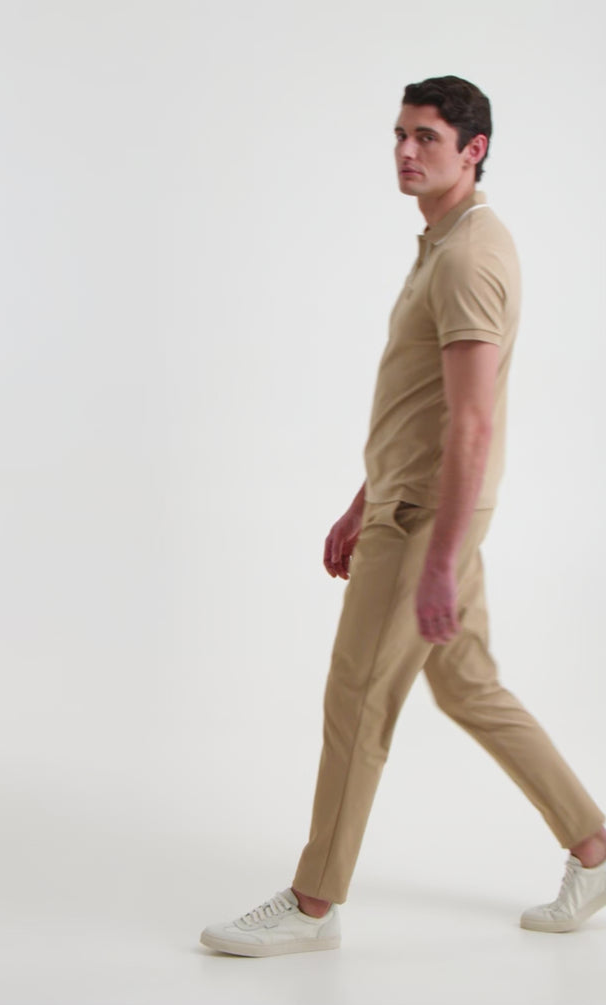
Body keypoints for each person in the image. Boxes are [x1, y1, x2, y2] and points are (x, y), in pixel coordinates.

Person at [200, 75, 606, 958]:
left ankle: (313, 904)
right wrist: (363, 497)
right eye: (399, 134)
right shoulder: (444, 243)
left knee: (358, 695)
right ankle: (596, 845)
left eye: (427, 137)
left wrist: (438, 557)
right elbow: (422, 404)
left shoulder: (468, 257)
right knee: (467, 685)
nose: (405, 151)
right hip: (408, 500)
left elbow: (472, 421)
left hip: (428, 516)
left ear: (474, 150)